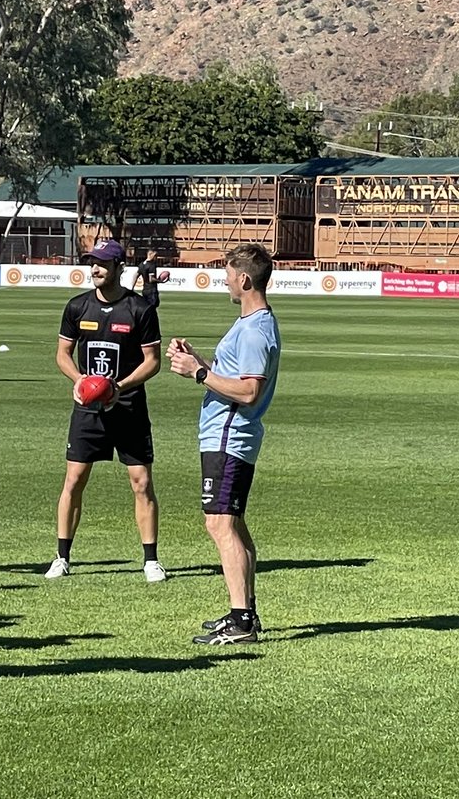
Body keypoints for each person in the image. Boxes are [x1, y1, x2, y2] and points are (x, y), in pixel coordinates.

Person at [167, 243, 281, 645]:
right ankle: (245, 610)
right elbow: (234, 376)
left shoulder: (254, 330)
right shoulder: (252, 322)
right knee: (232, 524)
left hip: (229, 436)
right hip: (228, 435)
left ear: (245, 279)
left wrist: (199, 374)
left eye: (229, 275)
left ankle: (242, 620)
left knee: (219, 524)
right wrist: (201, 362)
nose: (225, 281)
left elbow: (249, 391)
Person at [46, 238, 167, 584]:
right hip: (87, 409)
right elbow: (62, 354)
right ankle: (62, 557)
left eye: (102, 263)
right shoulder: (77, 307)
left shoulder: (140, 309)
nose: (95, 269)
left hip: (128, 407)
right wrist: (80, 380)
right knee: (74, 480)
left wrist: (119, 387)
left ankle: (150, 560)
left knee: (141, 482)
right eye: (92, 262)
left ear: (119, 268)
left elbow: (153, 362)